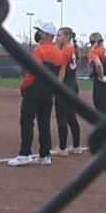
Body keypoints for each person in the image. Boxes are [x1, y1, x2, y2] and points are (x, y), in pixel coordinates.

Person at [9, 21, 63, 167]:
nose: (39, 34)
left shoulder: (40, 50)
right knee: (44, 123)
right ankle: (45, 155)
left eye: (41, 31)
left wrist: (24, 85)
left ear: (46, 35)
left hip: (34, 89)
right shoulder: (58, 51)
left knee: (27, 121)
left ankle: (25, 153)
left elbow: (34, 71)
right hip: (48, 90)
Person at [53, 27, 84, 155]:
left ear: (67, 36)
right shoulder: (75, 50)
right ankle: (76, 145)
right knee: (71, 116)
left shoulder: (65, 50)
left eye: (59, 35)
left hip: (65, 83)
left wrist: (56, 87)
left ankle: (62, 148)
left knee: (62, 117)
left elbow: (62, 70)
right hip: (72, 84)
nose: (57, 37)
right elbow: (75, 70)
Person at [86, 32, 106, 116]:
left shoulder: (94, 52)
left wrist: (101, 76)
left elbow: (98, 64)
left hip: (101, 83)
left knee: (101, 110)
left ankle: (104, 128)